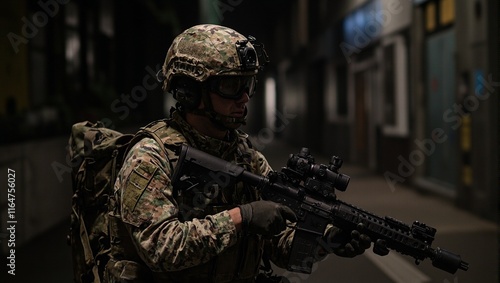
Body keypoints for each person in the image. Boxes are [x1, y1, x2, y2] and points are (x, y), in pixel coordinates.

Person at [109, 24, 371, 283]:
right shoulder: (151, 156)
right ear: (190, 91)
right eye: (231, 86)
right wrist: (240, 218)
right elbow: (160, 248)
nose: (244, 98)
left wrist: (325, 241)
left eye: (247, 84)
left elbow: (278, 248)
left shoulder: (246, 156)